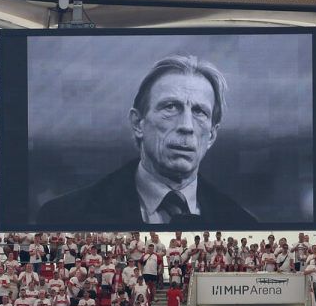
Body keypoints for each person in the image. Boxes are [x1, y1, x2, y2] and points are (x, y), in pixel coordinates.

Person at [36, 55, 257, 226]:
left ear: (211, 135)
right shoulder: (65, 215)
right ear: (138, 123)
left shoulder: (242, 222)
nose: (187, 126)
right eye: (171, 107)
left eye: (199, 112)